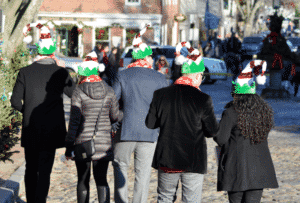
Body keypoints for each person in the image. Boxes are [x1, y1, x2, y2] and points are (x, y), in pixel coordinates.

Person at [145, 41, 219, 203]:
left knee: (164, 198)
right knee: (191, 200)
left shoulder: (160, 94)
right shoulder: (203, 99)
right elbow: (212, 131)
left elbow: (150, 123)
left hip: (167, 158)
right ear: (198, 76)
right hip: (193, 158)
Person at [11, 23, 76, 203]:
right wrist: (65, 71)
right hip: (52, 129)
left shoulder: (25, 72)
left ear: (38, 52)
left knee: (31, 168)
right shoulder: (60, 72)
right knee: (45, 170)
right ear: (52, 52)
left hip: (31, 127)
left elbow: (15, 101)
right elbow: (74, 93)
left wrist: (27, 110)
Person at [112, 23, 168, 203]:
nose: (152, 59)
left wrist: (115, 122)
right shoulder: (159, 78)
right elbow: (164, 107)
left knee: (120, 168)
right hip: (149, 132)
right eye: (151, 56)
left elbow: (112, 101)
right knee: (142, 176)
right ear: (147, 58)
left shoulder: (123, 75)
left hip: (125, 130)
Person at [213, 61, 278, 203]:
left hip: (236, 170)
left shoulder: (230, 112)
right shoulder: (264, 112)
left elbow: (221, 139)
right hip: (259, 168)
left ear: (235, 93)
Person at [64, 51, 123, 203]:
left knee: (82, 181)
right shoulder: (109, 90)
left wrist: (68, 146)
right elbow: (115, 116)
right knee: (102, 180)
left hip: (82, 143)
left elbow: (74, 123)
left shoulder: (78, 92)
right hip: (103, 143)